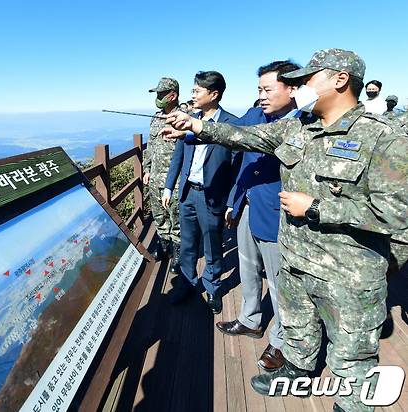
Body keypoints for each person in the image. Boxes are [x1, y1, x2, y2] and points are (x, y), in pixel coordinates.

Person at [162, 48, 408, 412]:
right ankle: (297, 370)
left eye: (309, 79)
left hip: (348, 273)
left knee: (351, 355)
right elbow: (248, 136)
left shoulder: (383, 138)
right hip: (295, 259)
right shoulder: (299, 125)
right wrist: (197, 125)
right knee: (298, 329)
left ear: (340, 80)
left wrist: (318, 208)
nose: (300, 87)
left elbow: (397, 213)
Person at [216, 60, 301, 373]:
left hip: (281, 214)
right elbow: (228, 138)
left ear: (292, 88)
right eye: (259, 89)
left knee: (281, 283)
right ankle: (250, 319)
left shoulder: (304, 123)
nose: (262, 95)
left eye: (268, 89)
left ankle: (281, 341)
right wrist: (233, 201)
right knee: (248, 269)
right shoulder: (254, 115)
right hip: (248, 204)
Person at [161, 71, 239, 313]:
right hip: (187, 192)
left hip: (212, 194)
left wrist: (231, 201)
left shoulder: (230, 124)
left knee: (212, 244)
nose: (192, 95)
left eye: (197, 91)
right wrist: (168, 185)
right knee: (187, 243)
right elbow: (178, 156)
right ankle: (186, 283)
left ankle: (213, 287)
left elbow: (237, 166)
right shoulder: (189, 120)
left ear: (214, 94)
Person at [142, 77, 183, 273]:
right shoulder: (156, 117)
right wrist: (147, 169)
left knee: (175, 216)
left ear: (172, 95)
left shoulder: (183, 117)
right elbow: (150, 146)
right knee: (159, 215)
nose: (157, 98)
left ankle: (178, 254)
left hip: (174, 179)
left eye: (161, 94)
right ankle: (163, 247)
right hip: (155, 176)